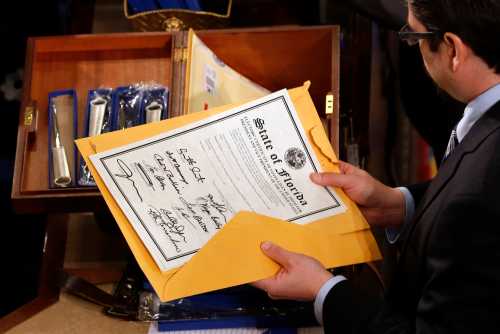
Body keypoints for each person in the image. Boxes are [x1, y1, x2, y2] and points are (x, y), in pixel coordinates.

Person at [253, 1, 500, 332]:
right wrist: (401, 205)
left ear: (454, 49)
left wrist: (324, 290)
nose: (413, 46)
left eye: (414, 36)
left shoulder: (476, 194)